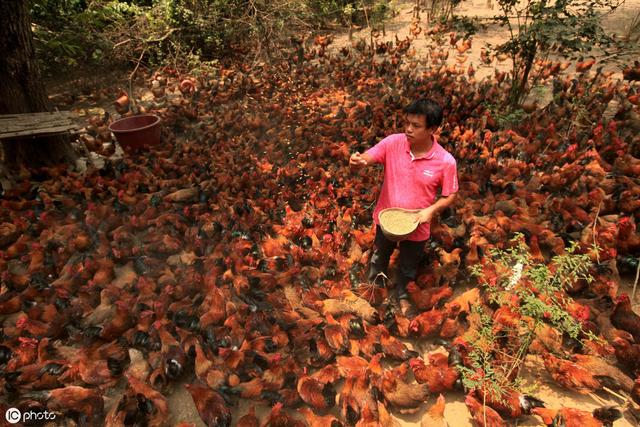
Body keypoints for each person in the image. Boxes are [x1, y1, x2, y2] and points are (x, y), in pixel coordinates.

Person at [349, 98, 459, 317]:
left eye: (416, 126)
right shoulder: (393, 143)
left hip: (417, 225)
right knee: (378, 257)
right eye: (407, 123)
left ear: (432, 129)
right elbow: (370, 156)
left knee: (408, 266)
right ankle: (374, 288)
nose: (408, 129)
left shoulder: (445, 161)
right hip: (387, 219)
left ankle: (402, 296)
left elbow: (450, 195)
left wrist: (430, 211)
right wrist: (359, 161)